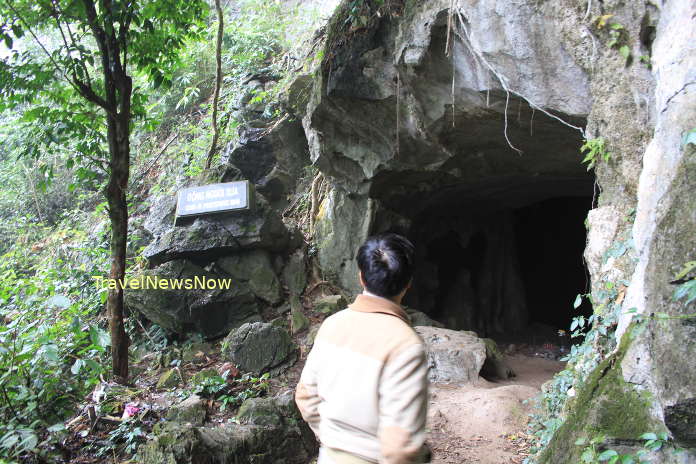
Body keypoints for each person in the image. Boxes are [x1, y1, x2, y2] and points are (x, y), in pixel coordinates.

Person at [295, 233, 429, 464]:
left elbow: (305, 396)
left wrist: (336, 439)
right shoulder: (406, 345)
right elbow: (400, 446)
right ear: (408, 284)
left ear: (361, 278)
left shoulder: (331, 326)